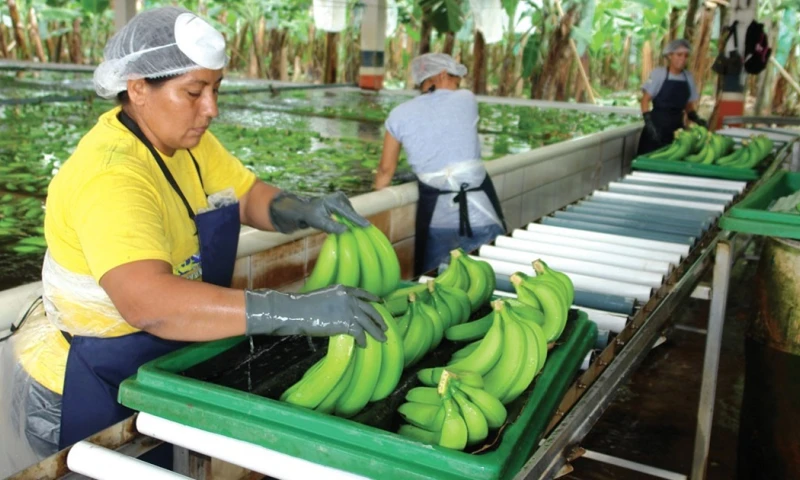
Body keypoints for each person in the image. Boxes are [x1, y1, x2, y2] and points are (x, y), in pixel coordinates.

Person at [0, 7, 387, 476]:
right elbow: (149, 303)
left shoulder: (187, 141)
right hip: (82, 379)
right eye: (194, 92)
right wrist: (293, 311)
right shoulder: (112, 175)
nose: (212, 109)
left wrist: (298, 208)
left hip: (153, 362)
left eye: (216, 89)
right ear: (139, 87)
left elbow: (245, 196)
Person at [374, 53, 506, 275]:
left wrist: (375, 206)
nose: (458, 85)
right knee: (489, 277)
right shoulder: (466, 99)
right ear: (444, 74)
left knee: (435, 284)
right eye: (456, 79)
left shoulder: (398, 115)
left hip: (437, 218)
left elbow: (386, 171)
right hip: (480, 210)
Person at [638, 39, 708, 155]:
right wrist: (649, 125)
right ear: (670, 55)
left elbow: (688, 105)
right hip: (656, 127)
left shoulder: (688, 77)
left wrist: (696, 118)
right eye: (679, 55)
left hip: (677, 129)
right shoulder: (658, 74)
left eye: (686, 56)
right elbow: (645, 101)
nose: (682, 58)